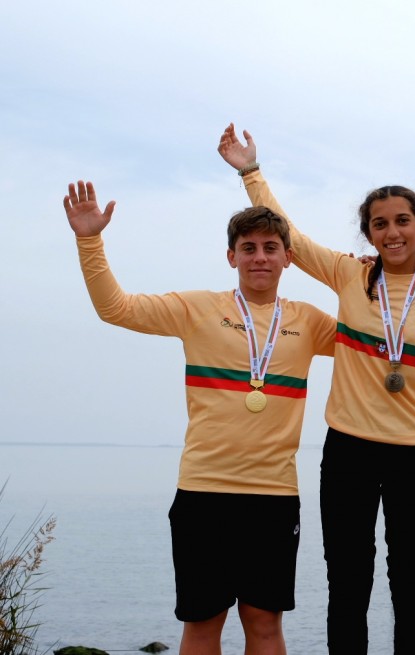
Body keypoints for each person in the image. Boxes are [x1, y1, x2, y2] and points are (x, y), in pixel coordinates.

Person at [217, 125, 415, 655]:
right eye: (379, 224)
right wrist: (251, 172)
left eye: (403, 221)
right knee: (348, 587)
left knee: (412, 588)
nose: (392, 232)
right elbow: (291, 235)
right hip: (349, 452)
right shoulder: (348, 276)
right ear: (370, 235)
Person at [63, 181, 339, 655]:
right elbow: (116, 308)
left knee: (265, 624)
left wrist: (400, 280)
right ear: (231, 256)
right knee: (203, 623)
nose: (260, 258)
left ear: (288, 258)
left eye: (271, 248)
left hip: (273, 495)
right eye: (248, 248)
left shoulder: (310, 321)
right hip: (203, 492)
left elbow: (375, 347)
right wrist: (90, 240)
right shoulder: (197, 310)